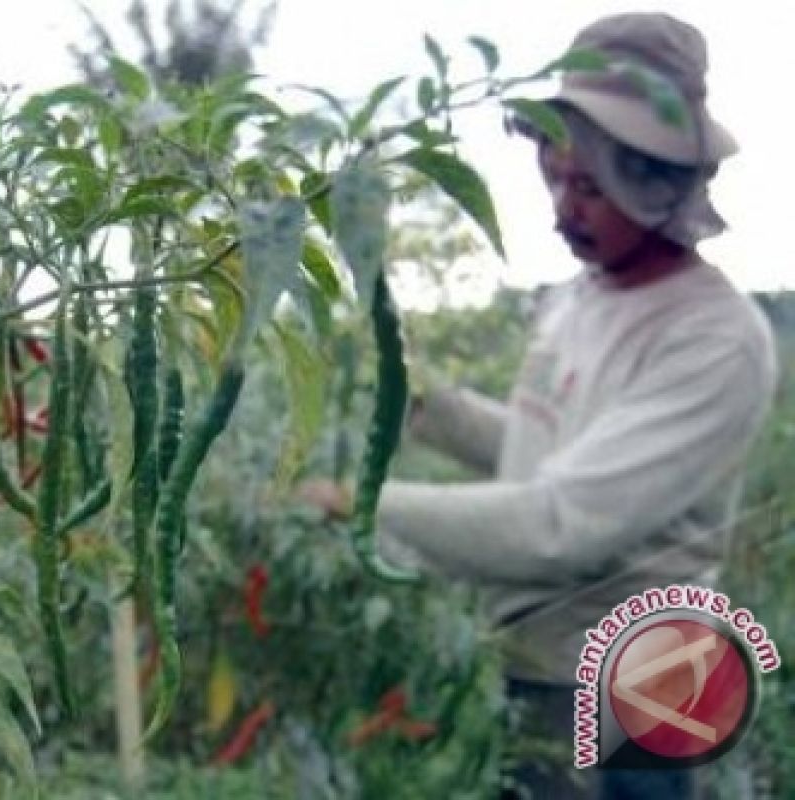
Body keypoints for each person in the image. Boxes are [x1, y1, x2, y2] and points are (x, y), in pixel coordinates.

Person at [302, 12, 777, 800]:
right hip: (536, 654)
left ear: (653, 180)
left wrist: (358, 507)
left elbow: (560, 525)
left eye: (588, 187)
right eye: (553, 176)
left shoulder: (716, 338)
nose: (563, 207)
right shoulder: (581, 297)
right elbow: (546, 447)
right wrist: (423, 403)